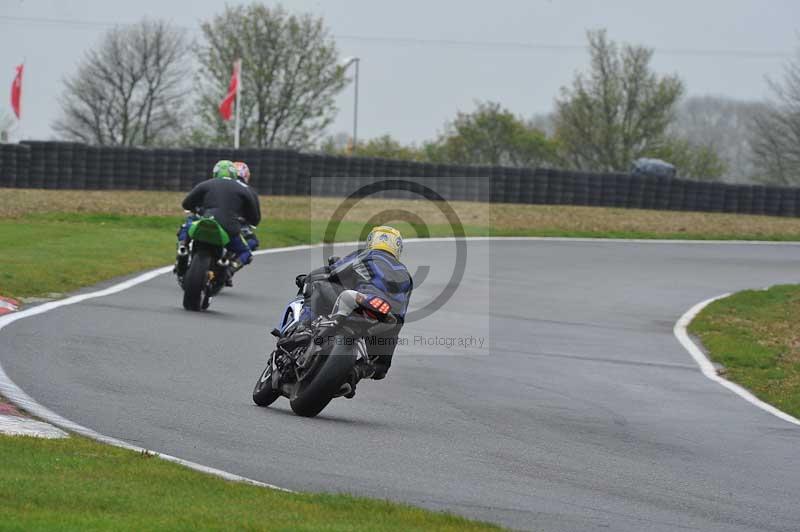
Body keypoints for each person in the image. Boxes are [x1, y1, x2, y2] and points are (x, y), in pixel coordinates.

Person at [291, 226, 413, 395]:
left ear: (371, 241)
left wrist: (309, 277)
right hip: (390, 318)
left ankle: (303, 328)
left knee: (317, 286)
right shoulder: (406, 273)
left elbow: (334, 272)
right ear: (398, 247)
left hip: (362, 300)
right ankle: (354, 374)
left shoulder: (366, 254)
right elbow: (403, 307)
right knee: (380, 366)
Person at [173, 160, 261, 282]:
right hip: (230, 227)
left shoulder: (206, 183)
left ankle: (183, 246)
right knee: (246, 251)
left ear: (215, 173)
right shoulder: (246, 190)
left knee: (188, 224)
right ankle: (230, 268)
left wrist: (196, 209)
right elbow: (255, 217)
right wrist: (248, 221)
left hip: (206, 220)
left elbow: (186, 203)